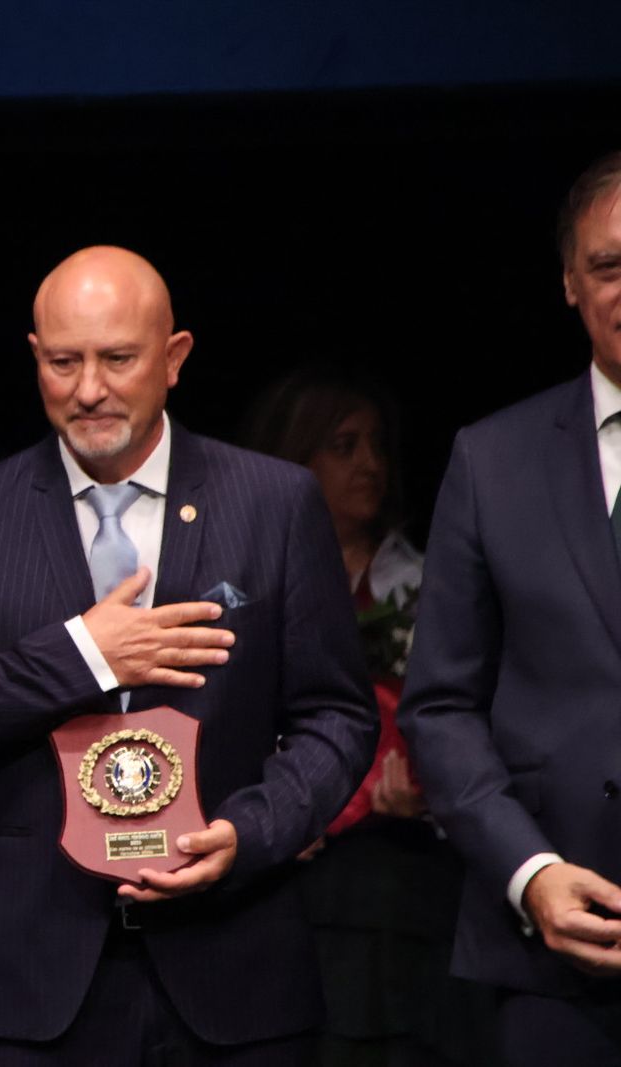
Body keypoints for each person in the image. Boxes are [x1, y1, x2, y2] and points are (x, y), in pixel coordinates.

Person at [0, 247, 378, 1065]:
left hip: (234, 965)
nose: (90, 388)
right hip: (37, 982)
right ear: (35, 357)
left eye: (118, 359)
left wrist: (250, 831)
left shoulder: (273, 502)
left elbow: (337, 718)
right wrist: (83, 653)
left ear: (173, 359)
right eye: (64, 362)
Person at [397, 150, 621, 1066]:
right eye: (610, 265)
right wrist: (530, 874)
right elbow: (440, 705)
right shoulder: (494, 460)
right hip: (554, 959)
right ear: (571, 283)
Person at [247, 368, 495, 1066]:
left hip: (403, 875)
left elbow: (467, 713)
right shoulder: (243, 580)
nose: (371, 465)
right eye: (345, 445)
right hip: (285, 863)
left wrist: (432, 792)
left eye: (377, 446)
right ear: (295, 459)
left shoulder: (427, 581)